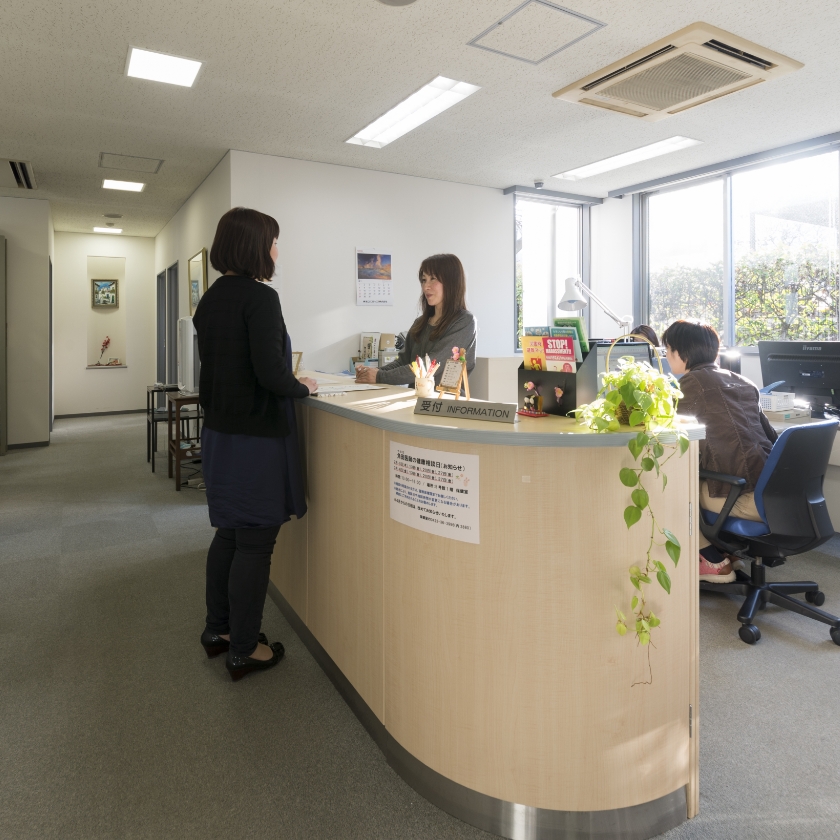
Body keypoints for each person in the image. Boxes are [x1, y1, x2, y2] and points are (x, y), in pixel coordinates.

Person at [193, 207, 318, 681]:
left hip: (222, 434)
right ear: (255, 247)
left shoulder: (211, 299)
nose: (276, 252)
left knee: (228, 533)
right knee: (254, 544)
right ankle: (244, 649)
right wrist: (303, 386)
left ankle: (218, 630)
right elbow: (270, 373)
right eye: (273, 242)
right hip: (255, 440)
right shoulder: (261, 299)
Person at [661, 320, 777, 583]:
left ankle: (711, 559)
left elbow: (666, 432)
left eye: (668, 350)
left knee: (669, 486)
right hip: (775, 492)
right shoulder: (744, 382)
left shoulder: (688, 386)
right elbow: (772, 437)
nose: (667, 357)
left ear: (682, 352)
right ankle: (725, 551)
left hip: (743, 496)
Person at [355, 254, 476, 388]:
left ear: (451, 282)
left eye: (433, 279)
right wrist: (373, 372)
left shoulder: (465, 322)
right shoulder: (420, 323)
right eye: (424, 280)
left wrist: (379, 376)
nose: (426, 287)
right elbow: (404, 361)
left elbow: (431, 364)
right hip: (415, 399)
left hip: (444, 404)